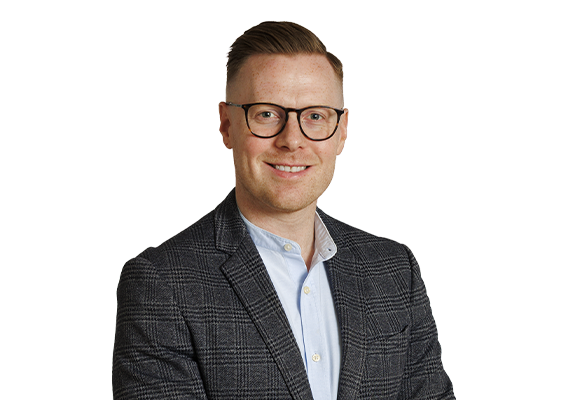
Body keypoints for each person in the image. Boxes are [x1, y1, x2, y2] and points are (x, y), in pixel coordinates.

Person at [112, 21, 455, 400]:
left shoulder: (395, 269)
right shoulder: (161, 284)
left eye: (315, 116)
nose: (292, 140)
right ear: (227, 125)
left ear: (341, 131)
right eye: (266, 114)